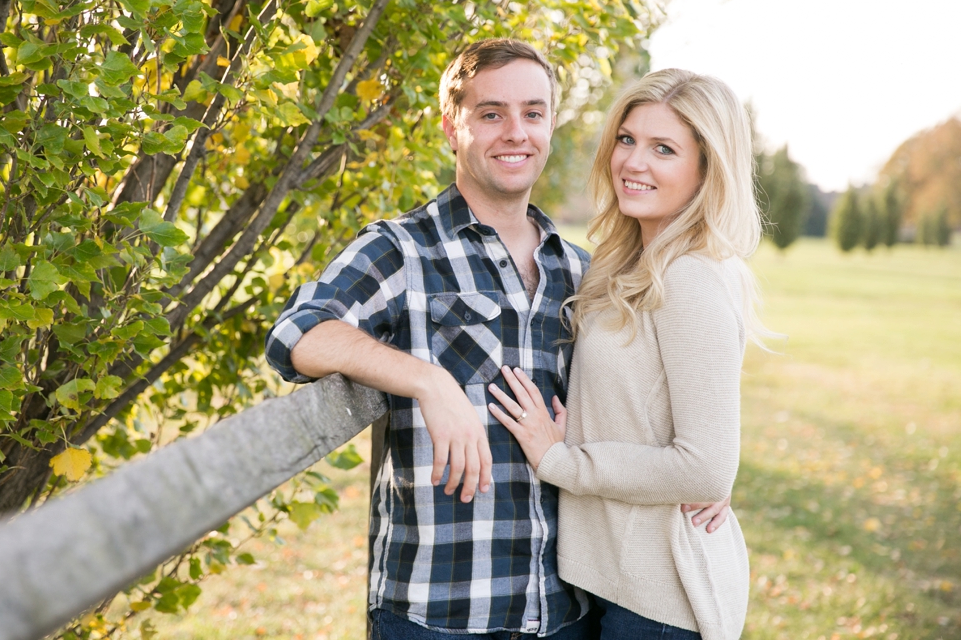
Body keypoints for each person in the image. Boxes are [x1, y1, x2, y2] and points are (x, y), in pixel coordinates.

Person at [265, 41, 728, 639]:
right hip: (439, 614)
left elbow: (649, 413)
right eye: (491, 114)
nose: (516, 132)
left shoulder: (583, 273)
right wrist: (428, 381)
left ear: (550, 127)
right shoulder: (402, 250)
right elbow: (296, 333)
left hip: (570, 611)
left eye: (533, 113)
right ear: (451, 128)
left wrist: (704, 481)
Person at [488, 68, 762, 640]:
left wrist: (563, 461)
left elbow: (707, 465)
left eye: (664, 149)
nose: (634, 163)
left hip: (661, 604)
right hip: (615, 587)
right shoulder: (629, 263)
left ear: (707, 169)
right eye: (627, 139)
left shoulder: (689, 276)